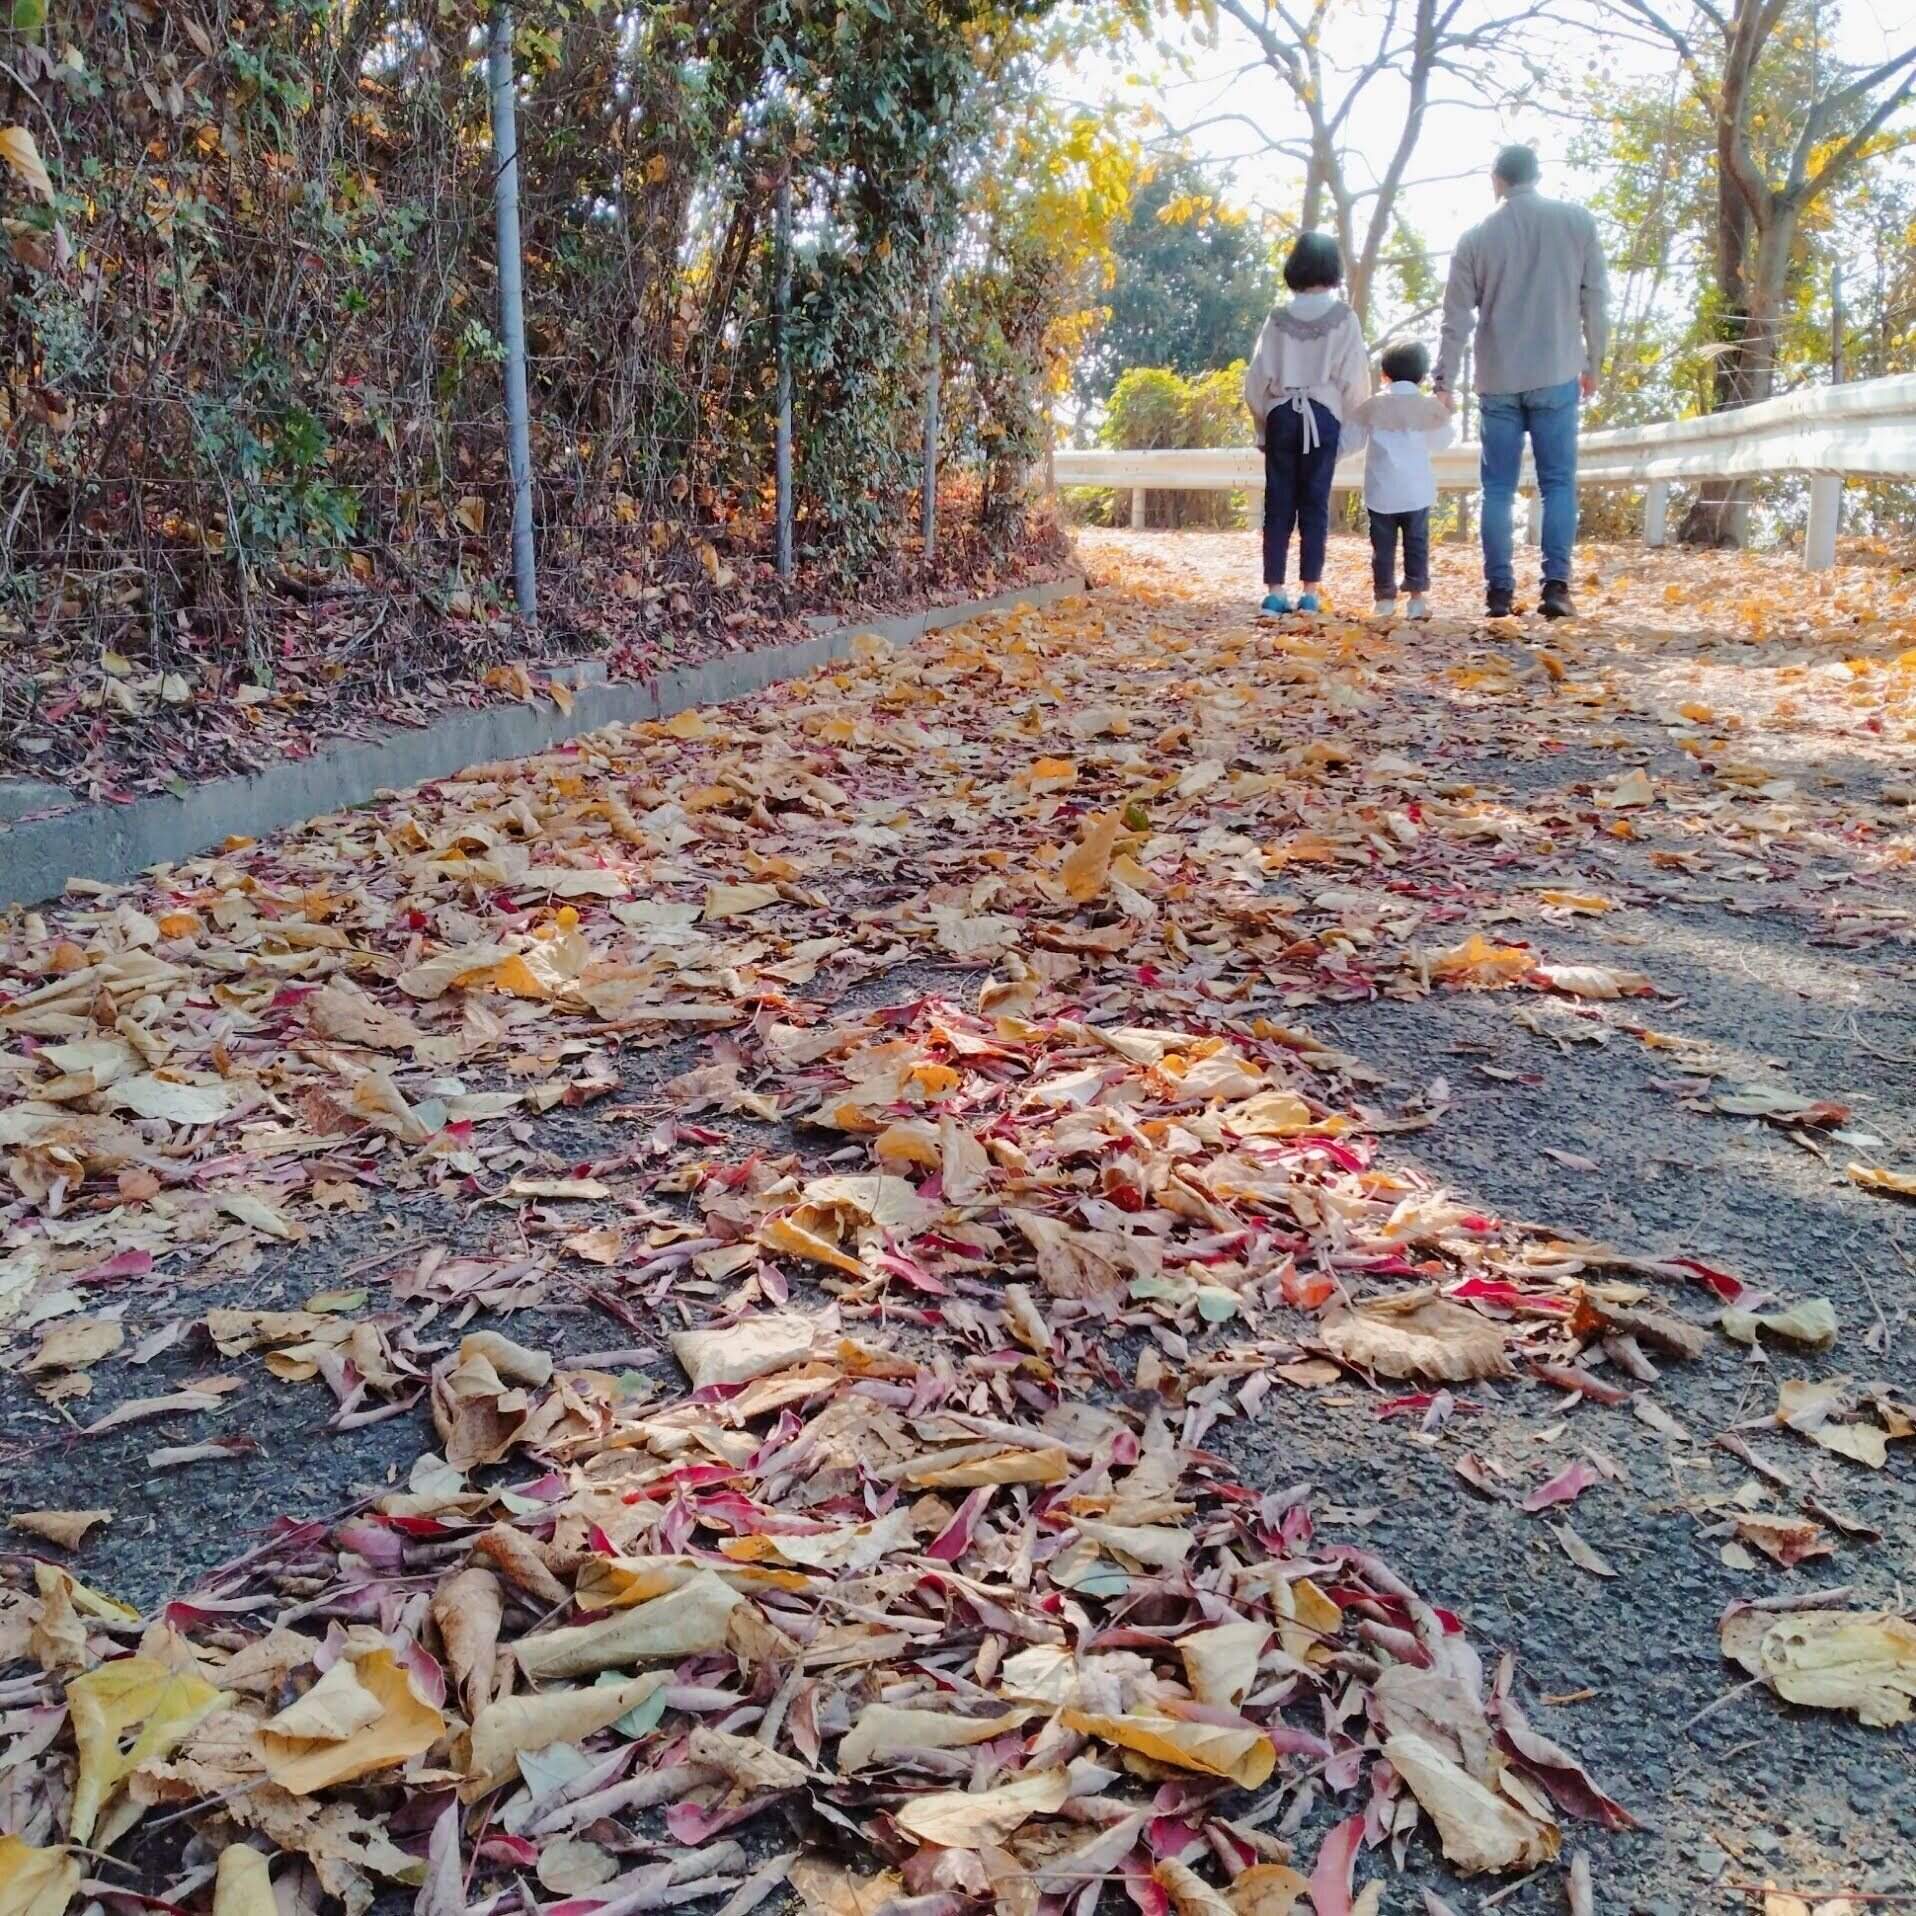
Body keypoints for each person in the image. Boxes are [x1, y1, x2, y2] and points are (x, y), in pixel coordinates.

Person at [1434, 144, 1609, 621]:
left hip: (1498, 378)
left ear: (1497, 180)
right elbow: (1595, 299)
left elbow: (1455, 318)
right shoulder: (1576, 223)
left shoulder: (1475, 238)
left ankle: (1498, 591)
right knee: (1557, 482)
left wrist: (1444, 379)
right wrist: (1594, 361)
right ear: (1537, 175)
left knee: (1497, 488)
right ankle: (1556, 586)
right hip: (1557, 371)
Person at [1243, 231, 1371, 616]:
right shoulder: (1344, 318)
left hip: (1282, 414)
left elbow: (1257, 378)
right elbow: (1355, 381)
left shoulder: (1278, 318)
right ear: (1333, 267)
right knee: (1315, 504)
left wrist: (1264, 423)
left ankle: (1274, 591)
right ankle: (1310, 592)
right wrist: (1348, 434)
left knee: (1278, 502)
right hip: (1322, 415)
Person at [1349, 340, 1455, 622]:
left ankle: (1384, 600)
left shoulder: (1372, 406)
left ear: (1384, 374)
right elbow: (1442, 442)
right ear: (1422, 376)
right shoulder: (1427, 407)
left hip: (1381, 492)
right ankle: (1416, 600)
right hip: (1416, 492)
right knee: (1416, 545)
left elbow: (1352, 440)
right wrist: (1445, 409)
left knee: (1382, 549)